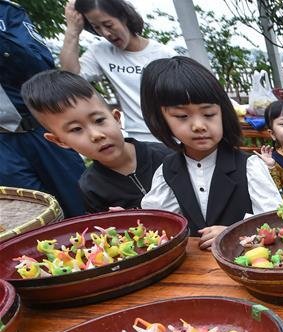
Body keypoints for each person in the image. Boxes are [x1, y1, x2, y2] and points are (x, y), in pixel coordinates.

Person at [139, 57, 281, 249]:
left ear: (223, 113)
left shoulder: (249, 167)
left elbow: (275, 224)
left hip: (245, 267)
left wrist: (235, 233)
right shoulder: (166, 173)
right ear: (161, 119)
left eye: (208, 114)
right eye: (182, 116)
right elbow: (160, 231)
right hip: (191, 273)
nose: (199, 126)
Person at [21, 69, 171, 213]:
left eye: (99, 120)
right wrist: (125, 222)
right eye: (76, 129)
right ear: (60, 141)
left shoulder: (167, 155)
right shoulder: (91, 188)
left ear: (116, 118)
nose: (96, 135)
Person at [0, 0, 86, 217]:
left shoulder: (8, 12)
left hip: (41, 132)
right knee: (29, 217)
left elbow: (39, 63)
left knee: (81, 205)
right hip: (3, 147)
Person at [60, 0, 175, 143]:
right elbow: (69, 78)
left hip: (172, 136)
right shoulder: (99, 51)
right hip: (138, 140)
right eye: (97, 27)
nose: (106, 33)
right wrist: (72, 31)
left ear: (124, 17)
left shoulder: (165, 54)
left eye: (108, 25)